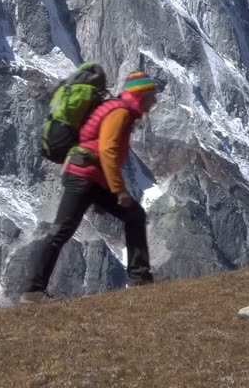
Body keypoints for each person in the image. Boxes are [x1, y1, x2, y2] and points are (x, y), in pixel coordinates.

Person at [21, 71, 158, 303]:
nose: (153, 102)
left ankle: (141, 279)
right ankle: (33, 292)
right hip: (83, 177)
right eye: (151, 96)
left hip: (91, 178)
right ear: (140, 95)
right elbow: (106, 150)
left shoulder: (118, 109)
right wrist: (118, 190)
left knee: (134, 215)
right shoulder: (120, 112)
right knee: (60, 231)